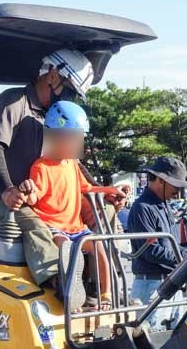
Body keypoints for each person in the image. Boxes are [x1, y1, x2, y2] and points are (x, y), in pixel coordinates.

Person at [0, 48, 96, 289]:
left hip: (40, 200)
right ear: (52, 75)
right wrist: (7, 189)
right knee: (32, 223)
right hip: (0, 199)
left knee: (100, 213)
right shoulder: (12, 103)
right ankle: (60, 282)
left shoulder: (53, 117)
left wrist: (100, 192)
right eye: (71, 89)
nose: (70, 99)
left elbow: (72, 161)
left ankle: (99, 289)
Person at [20, 102, 126, 310]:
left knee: (99, 247)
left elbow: (86, 188)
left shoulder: (72, 164)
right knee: (64, 249)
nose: (75, 144)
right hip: (54, 226)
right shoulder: (41, 167)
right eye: (70, 138)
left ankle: (106, 295)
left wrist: (109, 190)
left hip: (76, 227)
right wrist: (29, 193)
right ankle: (71, 296)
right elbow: (35, 198)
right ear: (54, 137)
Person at [126, 156, 187, 331]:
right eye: (175, 185)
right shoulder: (142, 208)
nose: (178, 191)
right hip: (152, 286)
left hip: (170, 282)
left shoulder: (164, 205)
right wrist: (185, 257)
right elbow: (151, 251)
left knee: (176, 344)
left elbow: (172, 245)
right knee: (152, 344)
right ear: (161, 181)